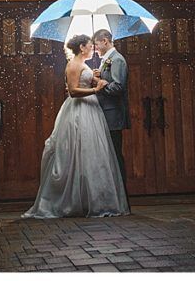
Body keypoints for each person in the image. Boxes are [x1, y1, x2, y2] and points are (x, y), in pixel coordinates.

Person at [22, 34, 130, 219]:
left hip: (92, 111)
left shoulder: (85, 64)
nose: (93, 48)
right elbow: (72, 91)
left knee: (93, 156)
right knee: (76, 153)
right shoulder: (73, 64)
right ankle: (72, 200)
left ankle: (93, 199)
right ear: (82, 47)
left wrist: (95, 77)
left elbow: (87, 80)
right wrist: (95, 89)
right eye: (90, 45)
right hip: (79, 111)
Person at [92, 28, 129, 197]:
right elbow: (110, 79)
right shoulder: (107, 60)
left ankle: (121, 196)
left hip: (113, 115)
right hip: (106, 114)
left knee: (115, 155)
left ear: (105, 41)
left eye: (97, 44)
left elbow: (118, 87)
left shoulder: (117, 60)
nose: (96, 48)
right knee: (110, 155)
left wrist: (100, 82)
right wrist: (101, 74)